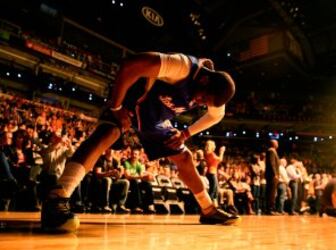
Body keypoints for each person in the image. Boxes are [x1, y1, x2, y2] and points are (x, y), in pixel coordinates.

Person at [41, 52, 237, 231]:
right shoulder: (182, 66)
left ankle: (208, 210)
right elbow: (130, 65)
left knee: (184, 156)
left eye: (206, 103)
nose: (201, 103)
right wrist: (117, 108)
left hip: (154, 118)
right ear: (204, 79)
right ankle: (58, 196)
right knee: (109, 132)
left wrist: (185, 134)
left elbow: (216, 116)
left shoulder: (214, 92)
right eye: (203, 98)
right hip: (129, 102)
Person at [204, 140, 225, 205]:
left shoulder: (208, 154)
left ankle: (214, 206)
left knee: (215, 191)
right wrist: (222, 152)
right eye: (214, 145)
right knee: (213, 191)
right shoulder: (211, 154)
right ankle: (208, 207)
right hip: (212, 173)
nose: (215, 146)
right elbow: (219, 159)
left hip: (211, 173)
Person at [264, 139, 280, 215]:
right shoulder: (271, 151)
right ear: (273, 144)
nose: (278, 144)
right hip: (272, 175)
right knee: (271, 192)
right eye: (277, 143)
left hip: (272, 175)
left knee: (272, 192)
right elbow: (272, 163)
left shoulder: (273, 151)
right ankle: (270, 209)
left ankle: (271, 209)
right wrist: (275, 174)